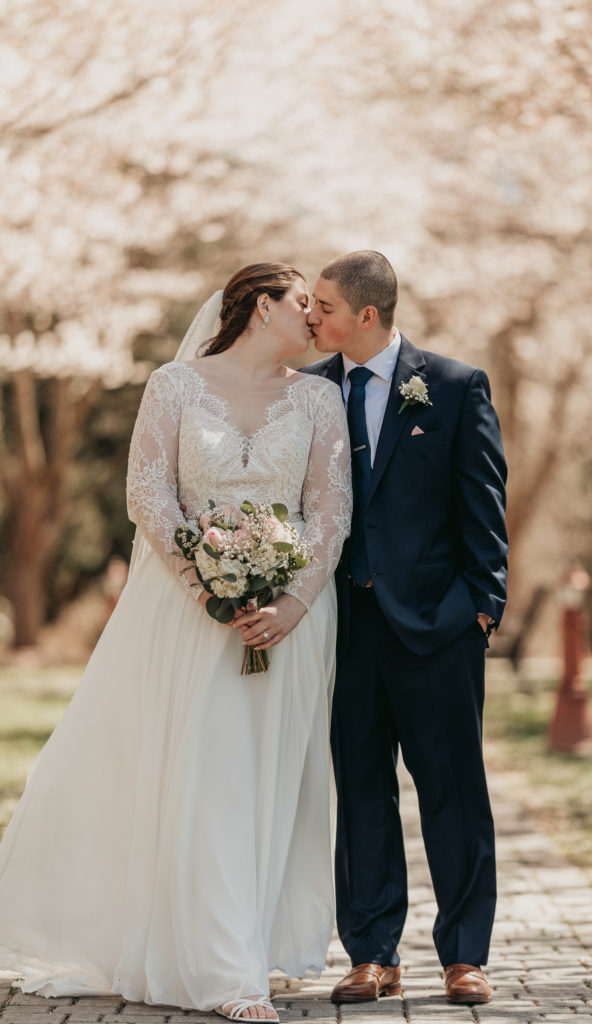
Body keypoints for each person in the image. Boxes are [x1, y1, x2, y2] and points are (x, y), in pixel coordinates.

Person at [0, 264, 352, 1022]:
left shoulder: (320, 398)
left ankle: (242, 946)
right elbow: (147, 489)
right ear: (261, 308)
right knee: (205, 767)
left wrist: (288, 601)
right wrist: (206, 581)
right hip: (185, 609)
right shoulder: (174, 385)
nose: (317, 317)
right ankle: (222, 972)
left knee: (264, 773)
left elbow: (329, 508)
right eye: (302, 304)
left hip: (290, 618)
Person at [303, 251, 508, 1006]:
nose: (309, 316)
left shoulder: (452, 387)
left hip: (438, 628)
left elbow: (484, 506)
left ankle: (463, 955)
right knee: (360, 791)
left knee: (453, 792)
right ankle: (371, 952)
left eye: (322, 306)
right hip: (344, 631)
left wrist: (480, 608)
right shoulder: (308, 392)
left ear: (366, 314)